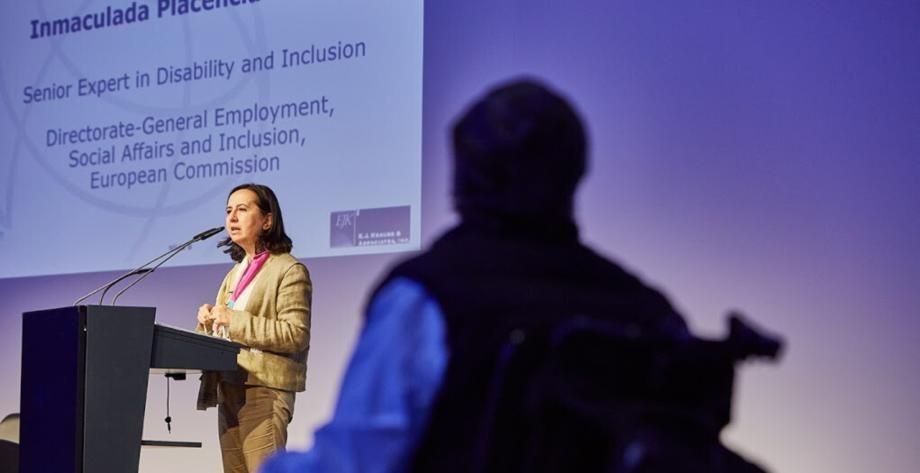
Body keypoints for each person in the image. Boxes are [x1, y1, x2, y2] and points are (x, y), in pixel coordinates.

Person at [260, 79, 688, 473]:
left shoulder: (424, 297)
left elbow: (354, 463)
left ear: (465, 174)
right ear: (574, 171)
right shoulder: (649, 311)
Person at [197, 183, 312, 473]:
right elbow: (225, 333)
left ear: (267, 221)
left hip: (264, 390)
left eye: (242, 209)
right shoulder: (234, 274)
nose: (232, 217)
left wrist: (232, 320)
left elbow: (295, 334)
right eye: (228, 211)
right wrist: (206, 324)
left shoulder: (288, 270)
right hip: (229, 389)